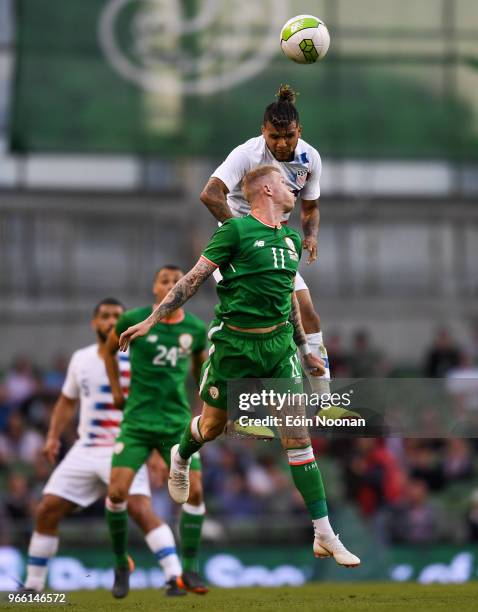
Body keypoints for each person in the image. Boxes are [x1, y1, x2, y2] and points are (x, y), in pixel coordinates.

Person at [119, 166, 361, 567]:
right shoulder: (234, 231)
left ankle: (324, 534)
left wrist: (304, 348)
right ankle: (181, 455)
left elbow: (287, 301)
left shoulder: (290, 238)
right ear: (266, 188)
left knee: (297, 438)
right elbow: (192, 280)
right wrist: (150, 320)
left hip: (278, 346)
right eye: (286, 183)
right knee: (211, 427)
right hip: (234, 344)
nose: (293, 189)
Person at [23, 299, 184, 597]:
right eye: (105, 316)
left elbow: (156, 404)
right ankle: (33, 586)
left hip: (125, 445)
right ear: (94, 323)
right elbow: (67, 401)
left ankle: (175, 577)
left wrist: (155, 452)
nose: (111, 321)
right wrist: (53, 436)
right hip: (86, 449)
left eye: (117, 316)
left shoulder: (140, 356)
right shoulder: (81, 359)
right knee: (47, 509)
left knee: (140, 509)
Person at [199, 85, 330, 394]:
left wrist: (310, 235)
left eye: (289, 136)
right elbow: (210, 193)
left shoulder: (310, 158)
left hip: (275, 246)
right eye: (274, 137)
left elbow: (310, 207)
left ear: (300, 130)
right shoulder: (246, 155)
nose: (282, 143)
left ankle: (325, 397)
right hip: (238, 251)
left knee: (307, 310)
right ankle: (227, 392)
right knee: (254, 325)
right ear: (263, 132)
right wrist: (242, 233)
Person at [104, 266, 208, 597]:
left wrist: (200, 411)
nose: (170, 284)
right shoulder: (133, 320)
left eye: (176, 280)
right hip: (136, 424)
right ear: (154, 287)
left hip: (176, 425)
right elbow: (109, 350)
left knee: (196, 492)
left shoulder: (194, 329)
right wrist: (117, 392)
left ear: (185, 288)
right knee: (117, 493)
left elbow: (199, 372)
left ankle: (189, 570)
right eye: (164, 279)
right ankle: (121, 563)